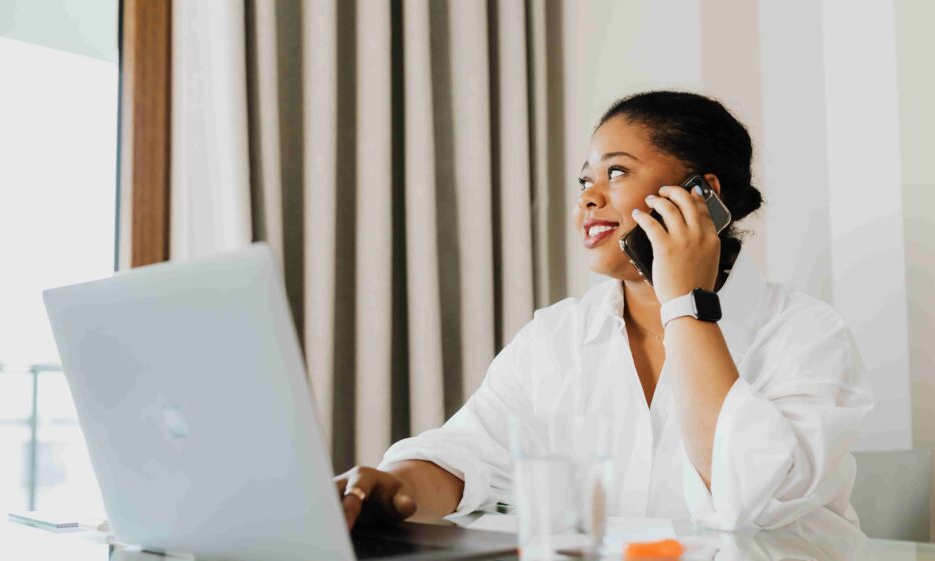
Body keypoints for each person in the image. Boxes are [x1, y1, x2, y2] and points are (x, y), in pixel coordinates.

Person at [334, 90, 874, 532]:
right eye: (584, 180)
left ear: (700, 194)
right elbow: (470, 452)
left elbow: (749, 499)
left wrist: (685, 303)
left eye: (615, 172)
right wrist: (395, 486)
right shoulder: (556, 337)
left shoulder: (806, 334)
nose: (589, 198)